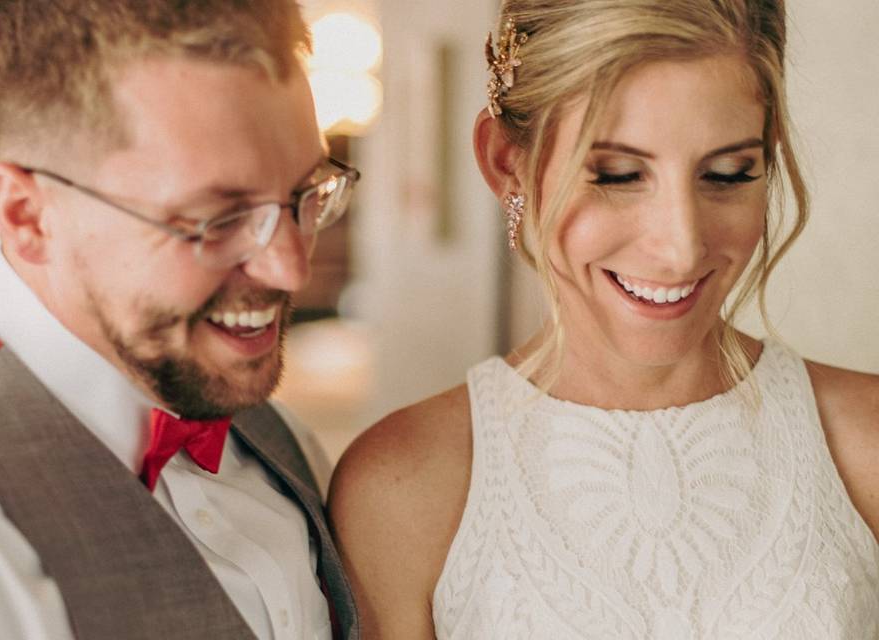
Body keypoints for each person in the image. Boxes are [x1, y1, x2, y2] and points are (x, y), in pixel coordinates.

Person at [329, 1, 879, 638]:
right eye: (617, 174)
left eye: (728, 174)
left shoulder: (864, 443)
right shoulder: (404, 485)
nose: (682, 246)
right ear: (508, 164)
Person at [0, 1, 360, 639]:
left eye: (304, 194)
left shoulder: (278, 436)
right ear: (28, 215)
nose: (289, 269)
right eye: (216, 217)